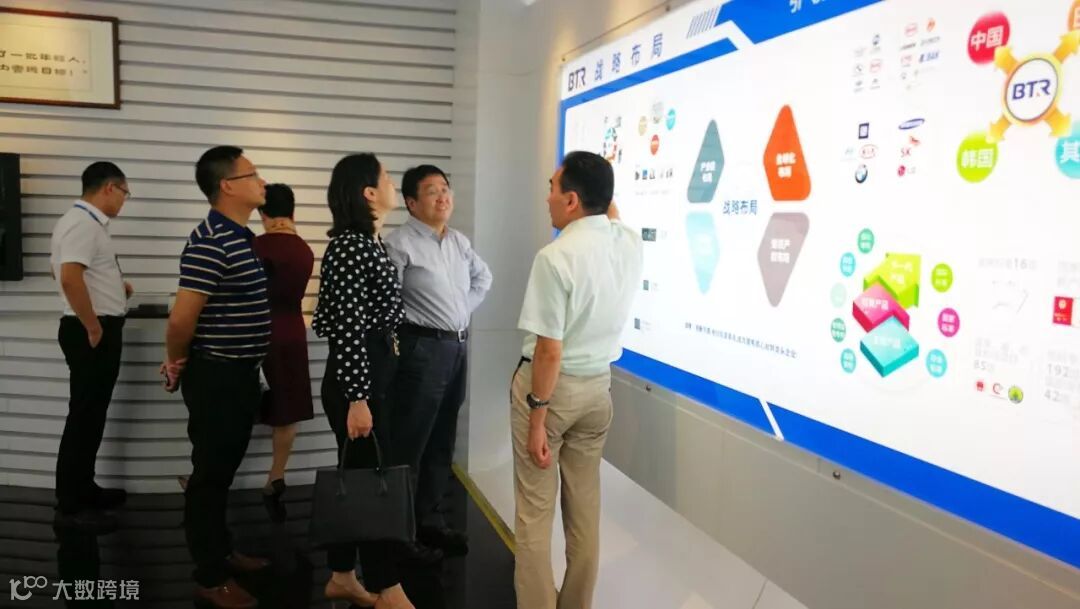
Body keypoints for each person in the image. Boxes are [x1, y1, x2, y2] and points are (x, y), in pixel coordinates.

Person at [511, 151, 644, 609]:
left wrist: (536, 417)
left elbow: (549, 350)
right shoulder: (628, 242)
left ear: (571, 201)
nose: (546, 197)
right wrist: (600, 183)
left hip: (552, 392)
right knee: (585, 513)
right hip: (597, 392)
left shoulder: (555, 257)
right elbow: (609, 212)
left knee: (534, 514)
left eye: (552, 188)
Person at [162, 146, 272, 609]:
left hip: (240, 374)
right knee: (209, 477)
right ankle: (209, 575)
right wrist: (175, 361)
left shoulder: (240, 235)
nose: (262, 182)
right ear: (227, 185)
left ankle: (222, 551)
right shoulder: (211, 240)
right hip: (217, 377)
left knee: (222, 471)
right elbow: (181, 319)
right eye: (253, 174)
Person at [312, 153, 414, 609]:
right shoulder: (351, 247)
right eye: (387, 178)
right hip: (359, 380)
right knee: (374, 482)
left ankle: (342, 576)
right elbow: (348, 328)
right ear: (369, 193)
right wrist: (358, 398)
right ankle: (387, 587)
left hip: (371, 374)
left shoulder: (368, 243)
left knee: (359, 476)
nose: (393, 184)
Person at [384, 165, 492, 561]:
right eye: (432, 191)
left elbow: (484, 279)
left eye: (446, 188)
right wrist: (423, 323)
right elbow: (387, 301)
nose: (443, 196)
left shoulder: (459, 241)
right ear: (412, 202)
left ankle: (429, 521)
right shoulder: (399, 243)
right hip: (421, 349)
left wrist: (457, 314)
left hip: (456, 348)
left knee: (442, 439)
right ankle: (398, 532)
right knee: (410, 442)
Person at [49, 161, 134, 532]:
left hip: (92, 329)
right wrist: (93, 326)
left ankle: (84, 488)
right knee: (84, 418)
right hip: (91, 333)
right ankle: (71, 505)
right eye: (125, 193)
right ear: (110, 188)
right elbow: (70, 278)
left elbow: (70, 273)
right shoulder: (83, 223)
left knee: (91, 415)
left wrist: (115, 287)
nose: (125, 200)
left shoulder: (82, 222)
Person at [252, 183, 315, 521]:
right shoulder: (304, 250)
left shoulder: (255, 246)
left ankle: (213, 480)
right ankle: (276, 476)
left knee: (239, 409)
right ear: (292, 211)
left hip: (256, 332)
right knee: (286, 410)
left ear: (262, 212)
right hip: (292, 332)